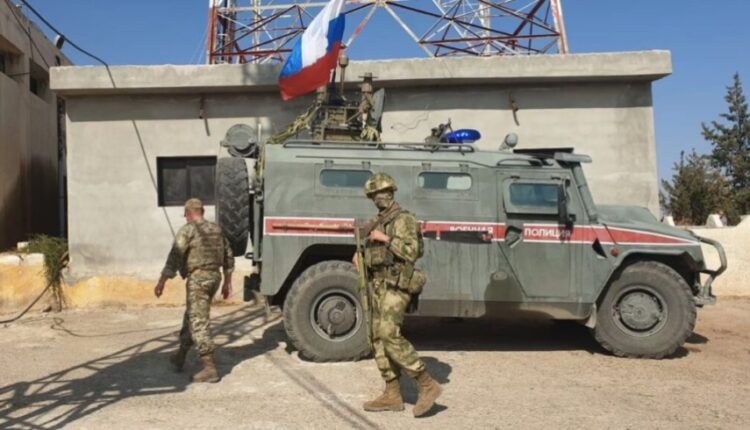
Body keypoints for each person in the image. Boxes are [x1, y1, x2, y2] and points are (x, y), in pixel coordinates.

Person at [355, 173, 442, 417]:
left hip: (397, 285)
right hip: (378, 284)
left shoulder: (404, 219)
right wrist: (361, 255)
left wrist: (385, 238)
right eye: (374, 195)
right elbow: (373, 251)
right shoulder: (378, 221)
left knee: (388, 333)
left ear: (391, 192)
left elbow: (412, 252)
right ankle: (392, 393)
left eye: (382, 193)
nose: (379, 198)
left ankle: (427, 384)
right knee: (376, 337)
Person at [154, 198, 234, 383]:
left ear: (189, 213)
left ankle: (209, 368)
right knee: (191, 315)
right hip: (214, 278)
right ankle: (180, 356)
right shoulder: (216, 229)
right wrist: (227, 282)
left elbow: (175, 255)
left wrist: (162, 281)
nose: (185, 218)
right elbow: (228, 256)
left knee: (198, 321)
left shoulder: (188, 230)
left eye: (186, 215)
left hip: (198, 279)